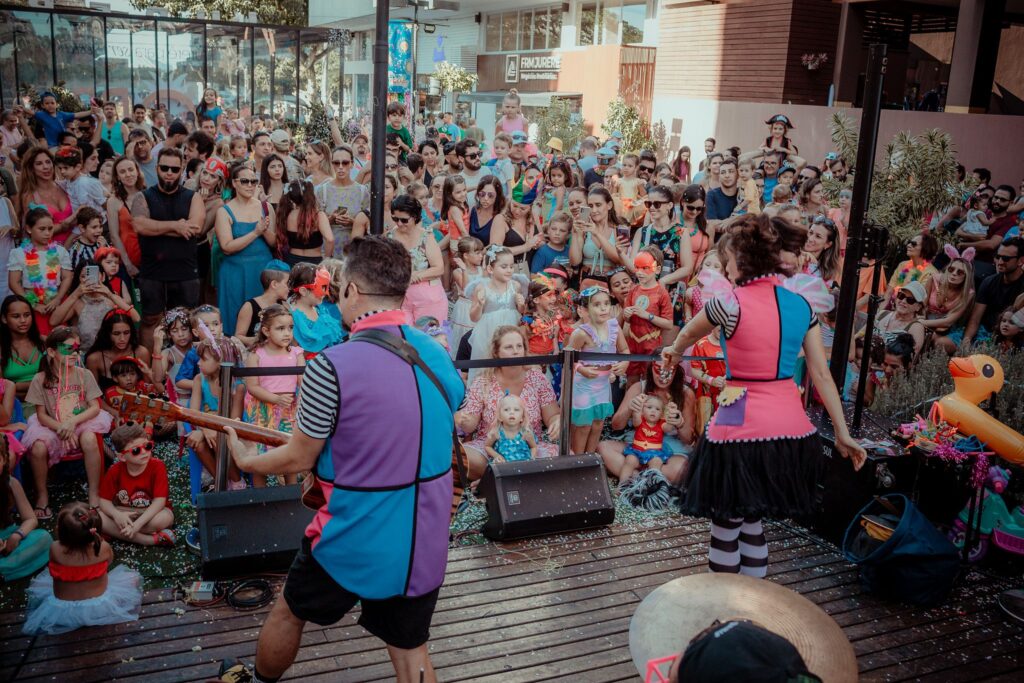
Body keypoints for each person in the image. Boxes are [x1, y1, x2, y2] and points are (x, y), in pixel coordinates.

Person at [219, 235, 463, 683]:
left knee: (290, 611)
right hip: (421, 532)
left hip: (353, 530)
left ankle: (258, 679)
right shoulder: (437, 353)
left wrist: (246, 460)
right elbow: (446, 412)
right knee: (411, 649)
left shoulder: (329, 366)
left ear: (351, 291)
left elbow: (299, 456)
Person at [661, 214, 866, 577]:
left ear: (741, 259)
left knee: (726, 522)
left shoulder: (728, 303)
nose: (724, 268)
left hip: (739, 424)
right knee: (752, 522)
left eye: (726, 261)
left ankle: (729, 614)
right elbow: (821, 375)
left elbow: (688, 334)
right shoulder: (802, 306)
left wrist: (673, 353)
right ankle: (753, 609)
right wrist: (842, 433)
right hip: (788, 429)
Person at [21, 327, 112, 516]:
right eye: (67, 348)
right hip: (52, 425)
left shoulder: (83, 374)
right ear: (52, 352)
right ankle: (42, 495)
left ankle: (94, 493)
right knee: (38, 447)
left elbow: (95, 407)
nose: (74, 353)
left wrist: (72, 423)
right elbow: (41, 415)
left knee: (89, 439)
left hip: (81, 422)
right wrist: (62, 426)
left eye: (77, 348)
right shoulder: (40, 379)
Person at [23, 502, 142, 635]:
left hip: (61, 611)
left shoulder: (55, 548)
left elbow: (54, 562)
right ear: (95, 530)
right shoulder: (103, 548)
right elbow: (109, 562)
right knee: (132, 577)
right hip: (99, 607)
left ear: (60, 530)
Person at [456, 325, 560, 476]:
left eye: (519, 346)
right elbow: (470, 425)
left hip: (529, 448)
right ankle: (514, 476)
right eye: (509, 347)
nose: (516, 351)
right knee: (458, 456)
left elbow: (552, 415)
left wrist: (556, 420)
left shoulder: (537, 378)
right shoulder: (483, 381)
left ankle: (497, 477)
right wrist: (463, 419)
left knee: (565, 456)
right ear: (496, 352)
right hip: (489, 449)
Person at [130, 148, 206, 348]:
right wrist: (176, 226)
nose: (169, 172)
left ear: (181, 170)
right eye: (164, 168)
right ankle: (149, 366)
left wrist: (155, 227)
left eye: (174, 168)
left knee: (186, 321)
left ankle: (183, 368)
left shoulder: (193, 197)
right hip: (152, 270)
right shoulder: (143, 197)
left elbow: (195, 228)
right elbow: (139, 225)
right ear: (157, 168)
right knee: (150, 320)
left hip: (185, 270)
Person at [242, 304, 304, 487]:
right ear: (266, 331)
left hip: (288, 411)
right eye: (280, 328)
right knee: (260, 454)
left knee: (288, 454)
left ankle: (291, 493)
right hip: (262, 412)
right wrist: (275, 399)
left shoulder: (296, 353)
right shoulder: (256, 355)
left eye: (290, 328)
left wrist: (300, 402)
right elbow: (252, 386)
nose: (287, 333)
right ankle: (260, 497)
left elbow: (303, 382)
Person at [214, 163, 277, 336]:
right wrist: (256, 232)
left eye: (253, 181)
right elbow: (226, 247)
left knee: (264, 319)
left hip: (261, 272)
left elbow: (273, 242)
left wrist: (264, 230)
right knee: (234, 319)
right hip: (235, 272)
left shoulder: (265, 207)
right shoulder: (224, 211)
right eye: (245, 181)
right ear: (234, 183)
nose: (250, 185)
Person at [566, 286, 629, 455]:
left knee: (598, 423)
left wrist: (623, 364)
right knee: (584, 425)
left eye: (607, 304)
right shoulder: (581, 333)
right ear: (585, 309)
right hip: (584, 385)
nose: (603, 308)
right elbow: (568, 360)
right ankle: (578, 460)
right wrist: (581, 369)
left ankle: (590, 458)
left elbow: (624, 351)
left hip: (603, 384)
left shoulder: (614, 327)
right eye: (597, 305)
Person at [97, 423, 175, 546]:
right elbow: (104, 501)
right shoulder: (114, 471)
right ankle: (149, 540)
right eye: (136, 450)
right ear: (122, 456)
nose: (144, 452)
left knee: (165, 518)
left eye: (147, 446)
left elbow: (159, 502)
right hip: (124, 512)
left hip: (150, 512)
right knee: (99, 518)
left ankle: (120, 532)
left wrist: (137, 526)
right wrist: (116, 515)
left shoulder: (157, 466)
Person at [388, 195, 447, 324]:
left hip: (429, 299)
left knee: (430, 338)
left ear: (415, 217)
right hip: (400, 299)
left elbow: (439, 268)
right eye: (395, 219)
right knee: (403, 340)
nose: (399, 223)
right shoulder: (389, 237)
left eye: (404, 220)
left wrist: (416, 275)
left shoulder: (426, 236)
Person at [963, 237, 1024, 347]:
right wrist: (966, 342)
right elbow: (975, 319)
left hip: (1013, 338)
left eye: (1006, 258)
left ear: (1021, 261)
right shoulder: (989, 281)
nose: (999, 262)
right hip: (985, 333)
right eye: (998, 257)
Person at [317, 145, 369, 253]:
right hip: (328, 251)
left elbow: (369, 225)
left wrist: (354, 222)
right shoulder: (323, 190)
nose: (341, 167)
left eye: (345, 163)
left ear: (352, 164)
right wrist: (330, 219)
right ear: (332, 164)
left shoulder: (362, 191)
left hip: (354, 252)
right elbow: (314, 224)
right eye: (336, 163)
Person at [18, 146, 74, 240]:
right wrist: (62, 226)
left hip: (77, 247)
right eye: (39, 164)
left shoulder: (65, 186)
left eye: (48, 162)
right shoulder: (29, 197)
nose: (46, 167)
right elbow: (33, 230)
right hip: (50, 252)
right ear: (31, 168)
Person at [288, 263, 344, 357]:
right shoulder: (291, 316)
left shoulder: (320, 309)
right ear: (303, 291)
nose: (326, 293)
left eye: (326, 287)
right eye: (322, 288)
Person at [276, 179, 333, 267]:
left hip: (292, 261)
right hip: (314, 262)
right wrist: (326, 259)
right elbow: (330, 239)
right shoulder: (318, 215)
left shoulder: (287, 215)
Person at [0, 294, 45, 400]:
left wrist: (17, 386)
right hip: (12, 407)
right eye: (16, 316)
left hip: (46, 403)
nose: (23, 320)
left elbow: (55, 380)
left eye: (27, 315)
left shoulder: (44, 342)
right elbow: (1, 391)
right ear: (4, 319)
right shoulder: (1, 348)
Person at [484, 392, 537, 463]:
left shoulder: (526, 432)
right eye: (506, 410)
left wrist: (532, 458)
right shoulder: (496, 432)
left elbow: (533, 447)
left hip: (524, 466)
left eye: (516, 410)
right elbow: (487, 446)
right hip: (504, 467)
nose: (512, 412)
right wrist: (497, 456)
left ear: (522, 417)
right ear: (500, 417)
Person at [705, 157, 740, 225]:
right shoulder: (711, 195)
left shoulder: (743, 194)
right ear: (719, 176)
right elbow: (711, 223)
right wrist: (733, 220)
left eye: (731, 171)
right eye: (723, 173)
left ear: (738, 174)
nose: (727, 175)